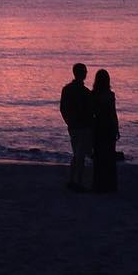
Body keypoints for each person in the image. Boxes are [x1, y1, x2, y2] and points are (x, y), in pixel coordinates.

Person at [60, 63, 93, 191]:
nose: (86, 74)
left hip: (74, 126)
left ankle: (73, 179)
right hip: (83, 127)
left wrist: (68, 121)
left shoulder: (67, 89)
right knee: (80, 155)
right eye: (85, 71)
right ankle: (77, 181)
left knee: (77, 153)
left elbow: (63, 108)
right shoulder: (85, 92)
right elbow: (90, 111)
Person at [91, 69, 120, 193]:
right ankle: (109, 185)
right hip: (108, 126)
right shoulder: (110, 95)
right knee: (109, 156)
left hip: (97, 126)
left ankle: (97, 184)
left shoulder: (93, 95)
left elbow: (91, 113)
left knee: (98, 156)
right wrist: (116, 128)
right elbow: (113, 113)